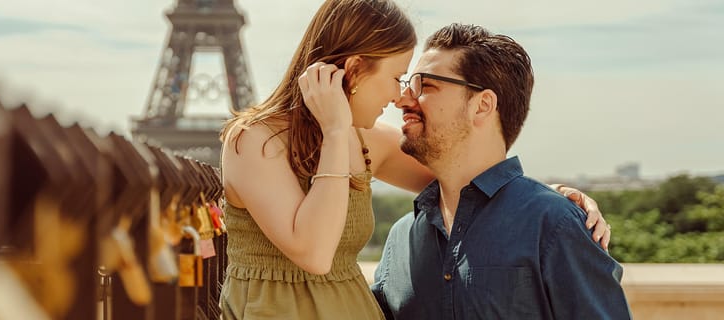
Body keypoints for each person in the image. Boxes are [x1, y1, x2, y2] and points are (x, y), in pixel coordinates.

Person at [219, 1, 610, 319]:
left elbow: (469, 175)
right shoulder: (256, 140)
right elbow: (313, 252)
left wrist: (553, 201)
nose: (399, 97)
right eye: (397, 78)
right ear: (353, 71)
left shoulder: (367, 140)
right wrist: (335, 131)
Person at [370, 23, 631, 319]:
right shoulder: (401, 239)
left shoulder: (555, 225)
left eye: (425, 86)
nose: (402, 100)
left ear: (482, 105)